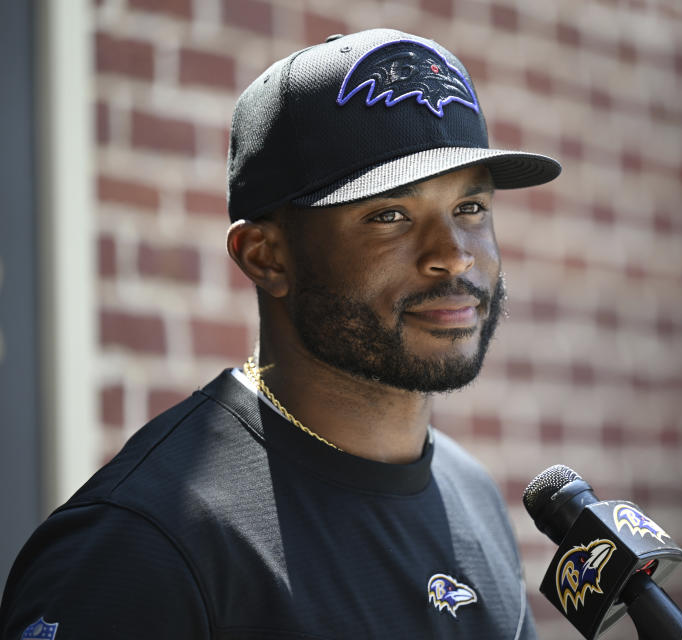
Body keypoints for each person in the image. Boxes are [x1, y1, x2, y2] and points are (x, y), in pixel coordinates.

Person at [0, 29, 560, 639]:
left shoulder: (471, 495)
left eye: (470, 209)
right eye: (389, 216)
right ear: (266, 256)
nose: (453, 256)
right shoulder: (143, 543)